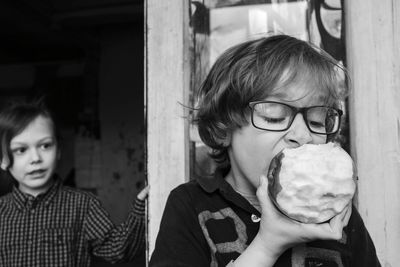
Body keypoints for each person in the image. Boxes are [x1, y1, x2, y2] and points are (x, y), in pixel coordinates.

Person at [150, 35, 381, 266]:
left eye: (318, 121)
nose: (302, 136)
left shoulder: (336, 213)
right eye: (275, 116)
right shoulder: (191, 206)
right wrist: (268, 245)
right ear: (223, 129)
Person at [0, 101, 149, 267]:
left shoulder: (83, 205)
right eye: (21, 150)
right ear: (3, 160)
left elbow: (118, 251)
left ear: (59, 150)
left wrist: (141, 208)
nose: (35, 158)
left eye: (45, 146)